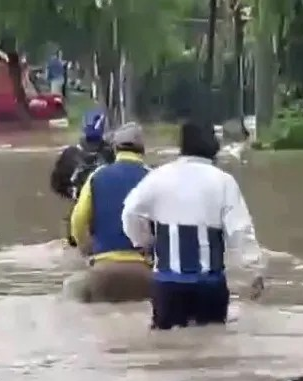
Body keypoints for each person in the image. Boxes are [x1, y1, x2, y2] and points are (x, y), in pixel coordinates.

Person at [121, 121, 261, 329]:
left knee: (165, 351)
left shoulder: (158, 177)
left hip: (168, 285)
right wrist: (254, 271)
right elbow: (240, 231)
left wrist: (142, 242)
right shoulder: (223, 182)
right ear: (214, 146)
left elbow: (130, 211)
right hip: (209, 285)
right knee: (212, 349)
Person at [69, 122, 152, 303]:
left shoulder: (97, 176)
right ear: (142, 150)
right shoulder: (154, 177)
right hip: (144, 271)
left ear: (114, 148)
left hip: (104, 268)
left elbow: (77, 221)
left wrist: (86, 250)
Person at [50, 108, 115, 247]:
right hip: (106, 217)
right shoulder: (111, 153)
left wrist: (73, 194)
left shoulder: (69, 154)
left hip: (78, 214)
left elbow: (56, 184)